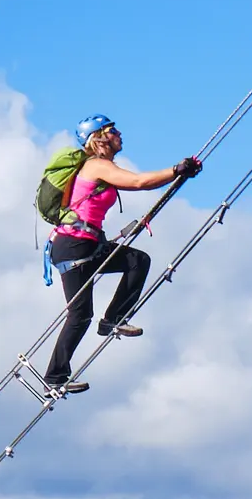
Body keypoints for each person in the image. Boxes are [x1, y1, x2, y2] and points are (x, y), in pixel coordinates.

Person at [41, 116, 199, 395]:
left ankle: (112, 319)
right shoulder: (96, 166)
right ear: (99, 137)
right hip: (74, 245)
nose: (120, 133)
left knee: (137, 261)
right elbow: (139, 182)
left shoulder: (102, 167)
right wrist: (176, 170)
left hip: (88, 244)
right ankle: (55, 376)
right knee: (80, 314)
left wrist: (177, 173)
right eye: (113, 130)